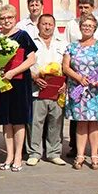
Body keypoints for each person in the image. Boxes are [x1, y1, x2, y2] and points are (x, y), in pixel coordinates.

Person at [65, 0, 98, 160]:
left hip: (96, 87)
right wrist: (78, 77)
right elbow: (67, 58)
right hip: (77, 84)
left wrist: (95, 78)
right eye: (81, 7)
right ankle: (77, 151)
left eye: (87, 7)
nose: (83, 10)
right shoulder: (71, 25)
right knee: (78, 121)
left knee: (97, 121)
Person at [0, 5, 37, 172]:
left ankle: (18, 155)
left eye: (9, 18)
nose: (6, 21)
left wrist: (13, 72)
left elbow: (31, 59)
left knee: (18, 121)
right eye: (3, 18)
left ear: (15, 18)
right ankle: (9, 155)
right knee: (6, 121)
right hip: (3, 83)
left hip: (19, 82)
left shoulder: (23, 35)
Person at [28, 14, 68, 166]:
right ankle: (34, 152)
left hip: (57, 90)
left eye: (50, 24)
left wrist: (66, 83)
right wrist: (34, 77)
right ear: (38, 25)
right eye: (44, 24)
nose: (47, 26)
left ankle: (54, 152)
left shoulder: (62, 43)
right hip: (37, 88)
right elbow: (27, 64)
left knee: (56, 122)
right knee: (35, 122)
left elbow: (67, 66)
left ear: (54, 25)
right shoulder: (31, 42)